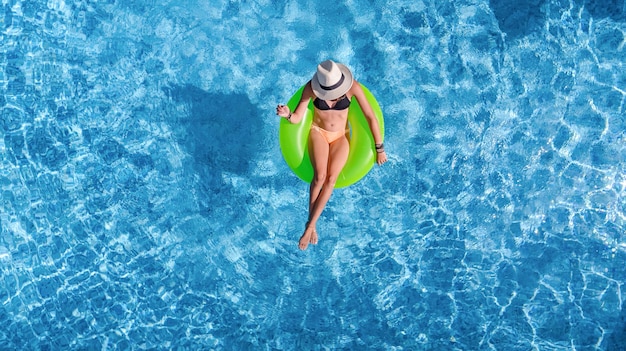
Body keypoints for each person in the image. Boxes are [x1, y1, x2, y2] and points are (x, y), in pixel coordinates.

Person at [276, 60, 387, 250]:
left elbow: (370, 116)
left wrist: (379, 148)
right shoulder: (310, 89)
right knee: (319, 177)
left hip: (340, 137)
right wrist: (287, 114)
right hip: (318, 132)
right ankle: (311, 225)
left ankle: (310, 225)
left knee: (331, 179)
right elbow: (296, 118)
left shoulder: (353, 88)